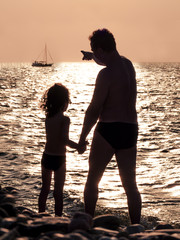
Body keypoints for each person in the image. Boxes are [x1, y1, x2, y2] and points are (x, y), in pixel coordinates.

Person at [79, 29, 142, 224]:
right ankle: (136, 227)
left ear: (100, 50)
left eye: (95, 51)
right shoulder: (128, 65)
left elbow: (94, 110)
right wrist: (94, 57)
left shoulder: (105, 75)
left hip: (108, 129)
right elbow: (112, 60)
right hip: (130, 129)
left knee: (92, 180)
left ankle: (87, 223)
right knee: (130, 184)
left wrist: (82, 138)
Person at [38, 83, 84, 216]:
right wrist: (78, 146)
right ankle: (58, 217)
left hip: (46, 156)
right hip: (59, 159)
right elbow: (64, 140)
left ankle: (40, 215)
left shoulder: (48, 117)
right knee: (58, 191)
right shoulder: (65, 120)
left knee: (45, 189)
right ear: (64, 102)